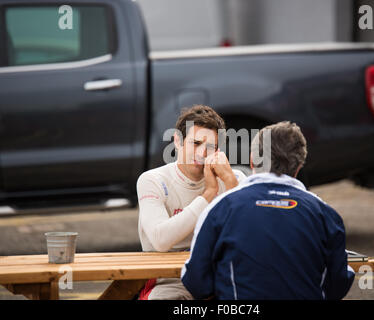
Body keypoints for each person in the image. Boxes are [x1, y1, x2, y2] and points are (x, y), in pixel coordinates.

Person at [181, 121, 355, 300]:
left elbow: (196, 281)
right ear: (298, 167)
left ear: (251, 160)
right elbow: (338, 283)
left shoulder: (219, 209)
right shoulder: (326, 215)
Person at [136, 105, 246, 300]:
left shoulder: (233, 179)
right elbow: (161, 240)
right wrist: (208, 194)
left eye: (210, 147)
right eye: (196, 143)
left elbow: (251, 235)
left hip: (217, 280)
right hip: (169, 282)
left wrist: (230, 183)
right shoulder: (152, 180)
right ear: (177, 141)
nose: (202, 153)